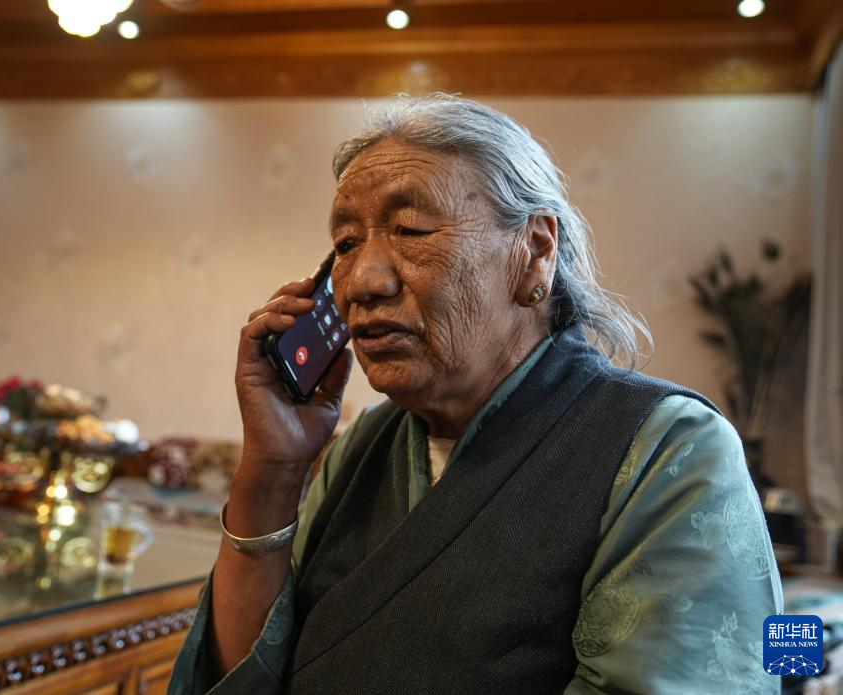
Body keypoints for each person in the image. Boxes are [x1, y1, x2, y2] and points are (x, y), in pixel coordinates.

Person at [170, 94, 782, 694]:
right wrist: (272, 471)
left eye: (410, 229)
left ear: (534, 253)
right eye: (347, 244)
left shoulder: (667, 450)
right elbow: (242, 678)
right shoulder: (362, 446)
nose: (361, 282)